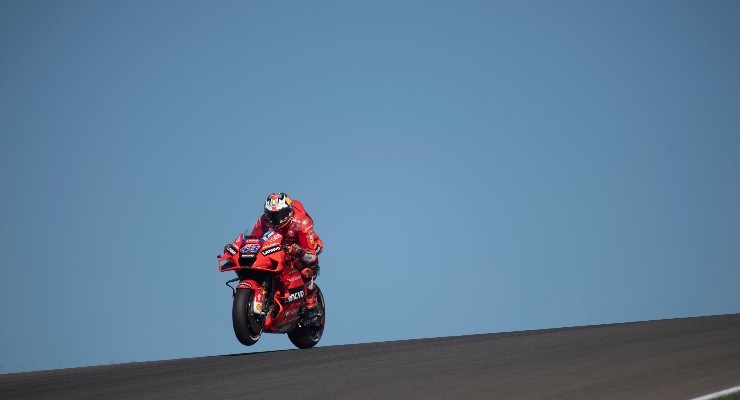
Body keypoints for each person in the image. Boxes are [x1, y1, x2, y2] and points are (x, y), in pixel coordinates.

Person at [229, 192, 324, 310]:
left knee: (305, 266)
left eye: (279, 215)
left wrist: (300, 252)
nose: (275, 219)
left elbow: (311, 254)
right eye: (271, 215)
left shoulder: (302, 223)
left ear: (289, 211)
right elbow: (252, 239)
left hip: (305, 245)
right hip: (277, 247)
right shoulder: (263, 220)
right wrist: (237, 247)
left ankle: (311, 294)